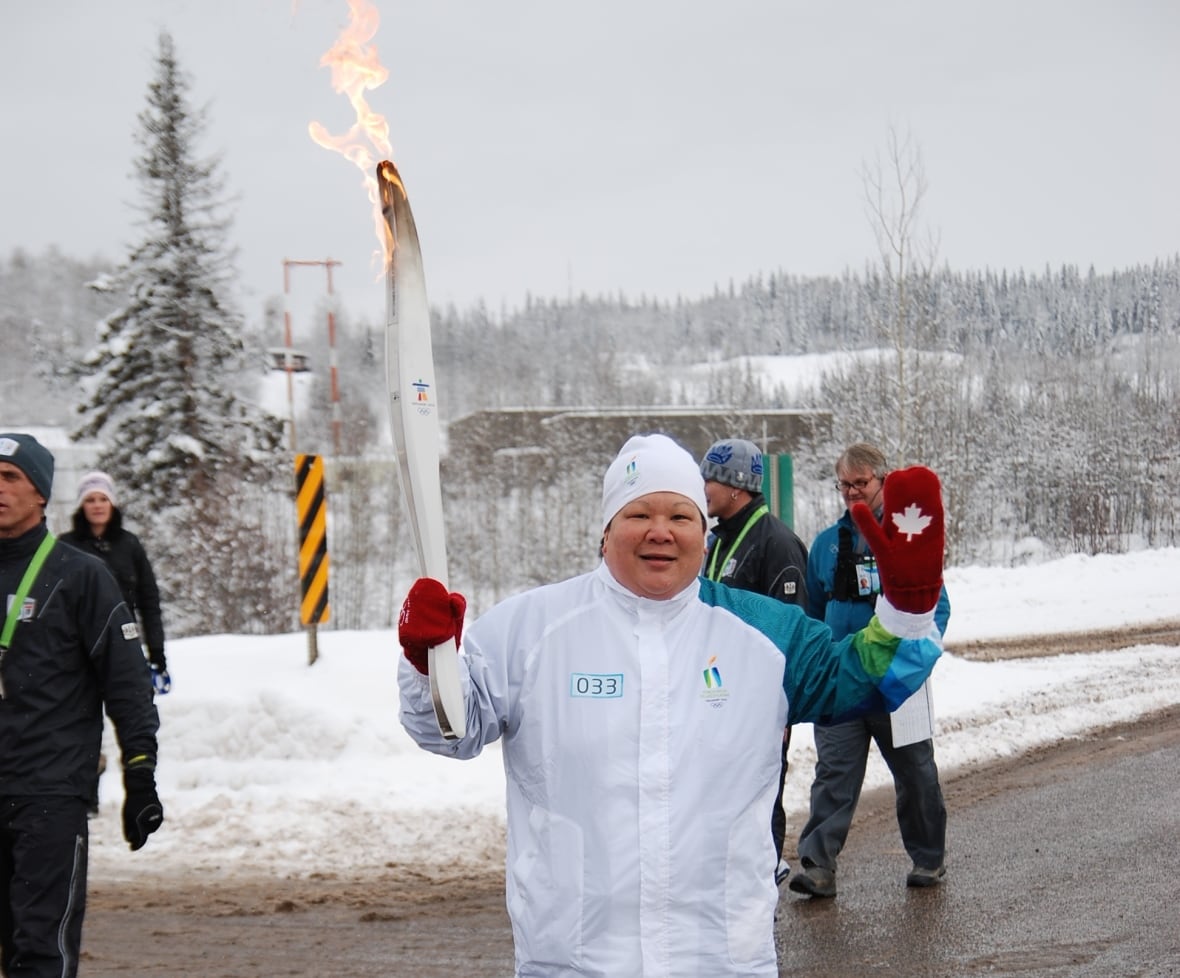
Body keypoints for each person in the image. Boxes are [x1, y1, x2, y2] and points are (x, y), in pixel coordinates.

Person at [398, 432, 947, 977]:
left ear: (703, 535)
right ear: (607, 529)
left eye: (681, 517)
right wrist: (429, 663)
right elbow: (450, 728)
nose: (660, 532)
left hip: (722, 959)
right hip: (572, 961)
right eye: (639, 514)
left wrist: (906, 613)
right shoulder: (530, 629)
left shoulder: (765, 633)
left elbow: (866, 682)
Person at [0, 433, 163, 978]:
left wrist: (140, 773)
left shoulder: (80, 576)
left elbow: (127, 682)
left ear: (41, 493)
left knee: (39, 951)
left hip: (46, 793)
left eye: (10, 477)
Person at [788, 442, 951, 900]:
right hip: (843, 682)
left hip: (899, 684)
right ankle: (818, 865)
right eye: (844, 484)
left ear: (883, 481)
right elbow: (812, 613)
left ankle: (928, 857)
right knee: (833, 774)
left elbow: (936, 607)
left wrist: (916, 664)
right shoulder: (824, 545)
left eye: (861, 483)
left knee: (916, 775)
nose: (852, 492)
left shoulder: (912, 536)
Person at [699, 437, 808, 886]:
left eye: (710, 478)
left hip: (760, 702)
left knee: (760, 796)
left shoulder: (777, 544)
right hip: (719, 692)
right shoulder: (719, 540)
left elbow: (792, 630)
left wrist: (782, 707)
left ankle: (760, 892)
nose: (702, 486)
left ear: (736, 486)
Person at [60, 471, 170, 694]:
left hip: (124, 645)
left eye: (103, 499)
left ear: (112, 503)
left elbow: (149, 602)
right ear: (82, 506)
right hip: (77, 651)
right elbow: (54, 604)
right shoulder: (65, 546)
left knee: (137, 715)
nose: (97, 505)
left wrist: (156, 651)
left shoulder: (130, 545)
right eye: (90, 500)